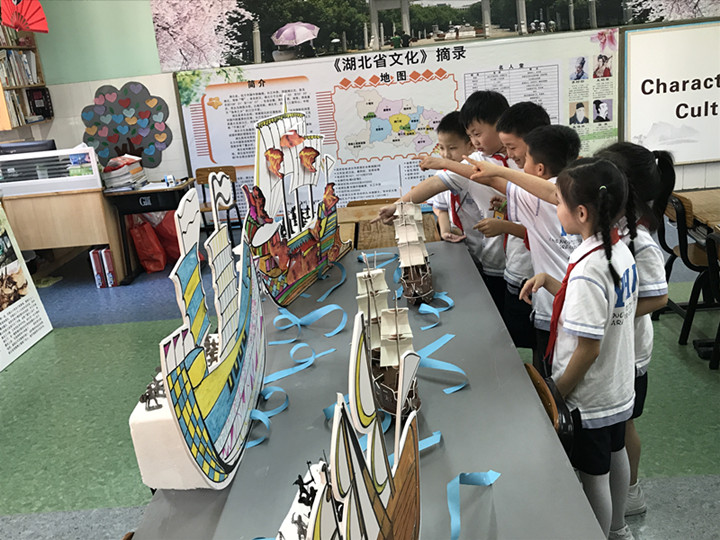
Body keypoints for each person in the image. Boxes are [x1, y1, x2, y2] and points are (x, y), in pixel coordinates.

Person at [519, 158, 637, 540]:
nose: (555, 209)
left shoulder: (588, 269)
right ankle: (619, 528)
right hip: (616, 386)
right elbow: (597, 308)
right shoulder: (616, 250)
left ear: (581, 212)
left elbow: (588, 348)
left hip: (589, 396)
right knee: (616, 453)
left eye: (558, 202)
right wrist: (550, 281)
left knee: (593, 476)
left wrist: (557, 391)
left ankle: (601, 533)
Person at [375, 90, 514, 313]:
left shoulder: (521, 158)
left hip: (524, 260)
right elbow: (435, 183)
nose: (474, 141)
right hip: (494, 260)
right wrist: (397, 205)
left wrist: (443, 163)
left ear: (500, 124)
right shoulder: (473, 160)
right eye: (470, 135)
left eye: (477, 134)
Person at [595, 142, 676, 521]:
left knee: (624, 426)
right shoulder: (611, 229)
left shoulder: (639, 240)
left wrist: (614, 314)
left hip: (630, 351)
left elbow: (659, 297)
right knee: (614, 426)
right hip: (613, 343)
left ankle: (631, 491)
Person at [465, 125, 582, 376]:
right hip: (566, 299)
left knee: (552, 368)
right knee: (558, 361)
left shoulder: (539, 196)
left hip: (554, 304)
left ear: (539, 168)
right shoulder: (581, 194)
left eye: (524, 157)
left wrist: (443, 163)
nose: (516, 160)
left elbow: (492, 179)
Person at [473, 101, 552, 350]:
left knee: (541, 343)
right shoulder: (532, 179)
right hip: (521, 271)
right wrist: (508, 208)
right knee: (527, 340)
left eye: (511, 147)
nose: (508, 155)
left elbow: (542, 231)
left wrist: (504, 227)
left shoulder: (548, 187)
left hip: (535, 277)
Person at [426, 112, 475, 243]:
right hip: (460, 244)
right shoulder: (441, 175)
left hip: (484, 243)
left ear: (471, 146)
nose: (446, 155)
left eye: (452, 148)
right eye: (441, 148)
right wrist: (445, 232)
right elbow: (442, 210)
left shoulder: (477, 172)